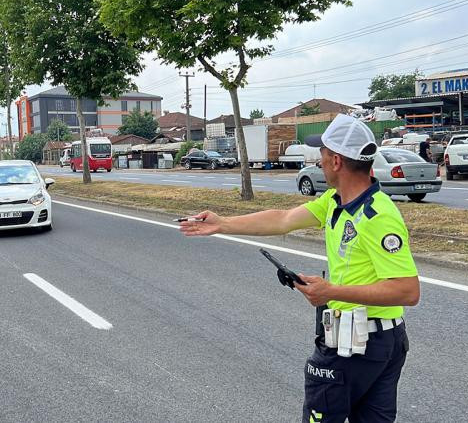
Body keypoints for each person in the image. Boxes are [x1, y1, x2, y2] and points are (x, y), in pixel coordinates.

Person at [179, 114, 420, 422]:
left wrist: (331, 291)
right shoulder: (336, 201)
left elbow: (407, 290)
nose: (317, 160)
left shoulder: (377, 216)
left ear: (335, 161)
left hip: (360, 344)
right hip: (373, 339)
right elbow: (283, 219)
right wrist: (223, 224)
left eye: (321, 154)